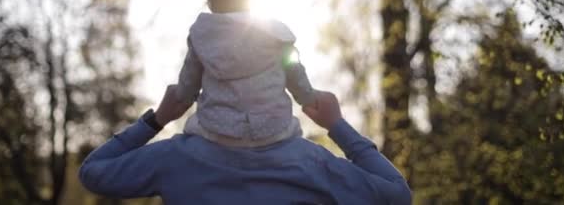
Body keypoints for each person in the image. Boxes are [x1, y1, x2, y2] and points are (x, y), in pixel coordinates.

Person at [78, 85, 412, 204]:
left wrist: (157, 119)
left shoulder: (175, 158)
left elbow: (93, 172)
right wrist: (336, 125)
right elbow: (396, 194)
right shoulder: (310, 162)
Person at [173, 0, 316, 148]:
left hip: (216, 133)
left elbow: (188, 84)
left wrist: (181, 95)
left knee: (192, 127)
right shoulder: (276, 34)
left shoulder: (203, 37)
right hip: (274, 130)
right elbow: (294, 67)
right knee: (293, 130)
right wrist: (308, 97)